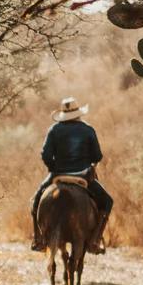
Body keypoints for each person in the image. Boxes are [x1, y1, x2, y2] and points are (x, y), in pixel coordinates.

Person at [38, 95, 113, 251]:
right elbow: (97, 156)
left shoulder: (54, 130)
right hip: (83, 176)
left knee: (36, 200)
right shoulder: (88, 129)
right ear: (78, 113)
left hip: (58, 175)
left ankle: (39, 238)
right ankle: (95, 239)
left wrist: (54, 168)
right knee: (107, 201)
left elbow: (45, 154)